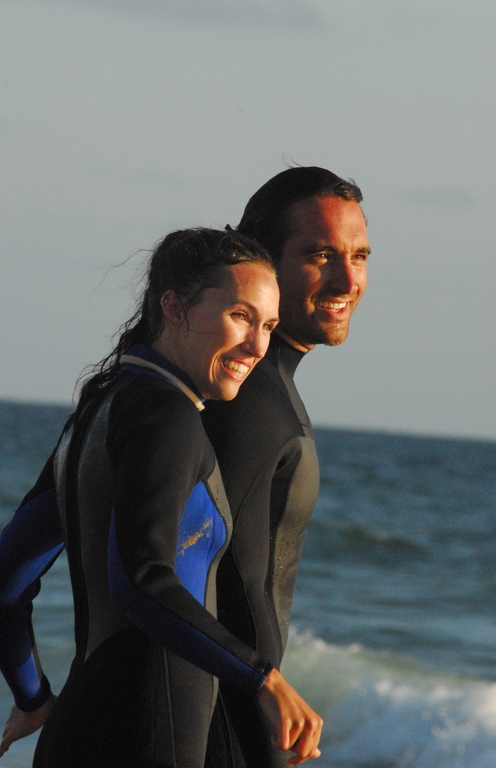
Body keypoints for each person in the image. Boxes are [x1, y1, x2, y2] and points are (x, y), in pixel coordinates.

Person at [0, 228, 323, 768]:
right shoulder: (169, 419)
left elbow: (1, 583)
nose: (258, 347)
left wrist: (33, 697)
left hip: (75, 731)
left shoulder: (97, 413)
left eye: (269, 326)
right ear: (175, 308)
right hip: (148, 738)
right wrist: (262, 679)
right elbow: (141, 580)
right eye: (240, 316)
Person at [202, 167, 370, 767]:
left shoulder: (155, 391)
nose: (347, 278)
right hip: (209, 732)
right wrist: (263, 692)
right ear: (262, 262)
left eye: (359, 255)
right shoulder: (253, 403)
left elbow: (6, 576)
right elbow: (231, 585)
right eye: (320, 255)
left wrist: (32, 691)